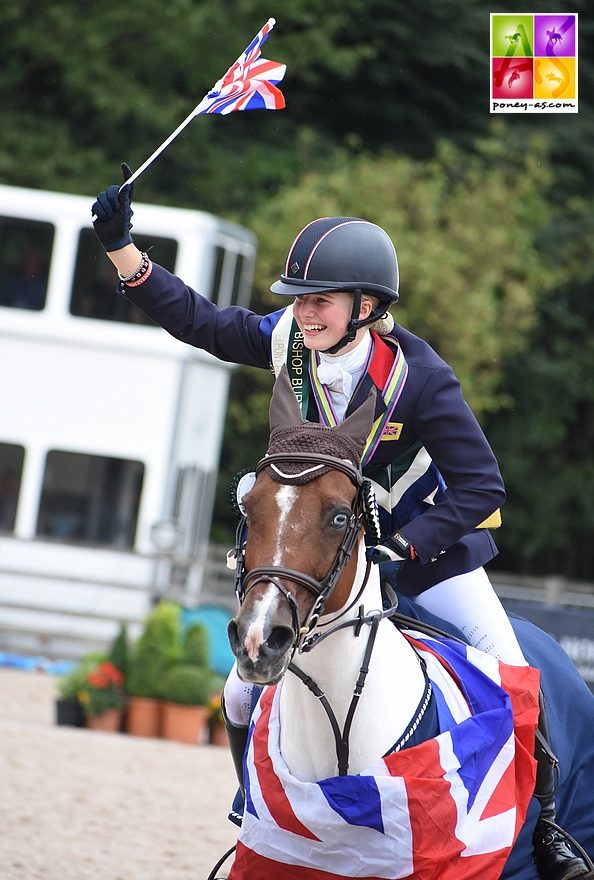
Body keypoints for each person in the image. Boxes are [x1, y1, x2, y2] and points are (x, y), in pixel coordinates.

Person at [92, 167, 588, 880]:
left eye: (319, 302)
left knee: (512, 671)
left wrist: (407, 546)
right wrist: (124, 253)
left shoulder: (417, 376)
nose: (305, 314)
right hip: (317, 556)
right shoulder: (285, 343)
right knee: (239, 690)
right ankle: (262, 813)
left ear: (366, 305)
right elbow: (201, 320)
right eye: (298, 301)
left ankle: (546, 832)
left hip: (424, 551)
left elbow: (482, 484)